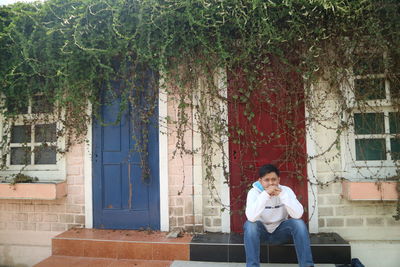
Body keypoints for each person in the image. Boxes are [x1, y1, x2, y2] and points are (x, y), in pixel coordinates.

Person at [244, 164, 314, 267]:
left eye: (274, 179)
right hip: (261, 233)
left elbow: (298, 214)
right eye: (266, 180)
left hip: (280, 233)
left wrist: (282, 195)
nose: (271, 183)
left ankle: (307, 265)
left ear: (279, 180)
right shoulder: (253, 193)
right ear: (260, 181)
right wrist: (265, 194)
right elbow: (251, 217)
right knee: (250, 225)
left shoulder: (286, 191)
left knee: (298, 223)